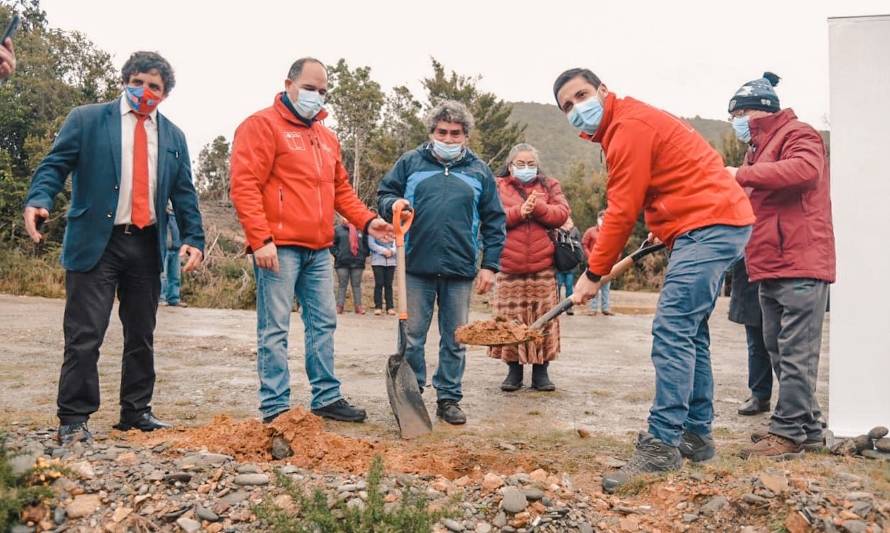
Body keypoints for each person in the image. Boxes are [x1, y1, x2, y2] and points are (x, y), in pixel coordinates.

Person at [553, 68, 754, 491]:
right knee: (690, 331)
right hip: (709, 222)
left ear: (603, 91)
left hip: (710, 224)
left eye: (581, 96)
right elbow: (669, 179)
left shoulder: (627, 127)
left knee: (672, 328)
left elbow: (621, 209)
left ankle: (662, 446)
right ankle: (696, 435)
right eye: (567, 106)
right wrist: (663, 222)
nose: (577, 109)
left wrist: (592, 274)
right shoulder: (622, 127)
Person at [24, 51, 204, 445]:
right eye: (137, 82)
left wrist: (194, 238)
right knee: (85, 333)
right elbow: (55, 165)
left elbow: (184, 191)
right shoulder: (87, 119)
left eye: (154, 86)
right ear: (125, 80)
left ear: (165, 93)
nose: (144, 91)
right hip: (96, 243)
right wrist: (39, 199)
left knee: (141, 334)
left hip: (146, 245)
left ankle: (136, 412)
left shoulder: (173, 135)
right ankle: (74, 417)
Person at [229, 57, 392, 424]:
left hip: (319, 249)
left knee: (323, 323)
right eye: (309, 88)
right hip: (279, 248)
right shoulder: (261, 126)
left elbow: (341, 192)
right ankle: (275, 405)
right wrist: (260, 239)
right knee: (274, 328)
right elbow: (244, 186)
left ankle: (326, 396)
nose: (316, 96)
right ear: (288, 84)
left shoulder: (327, 137)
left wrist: (368, 222)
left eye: (322, 91)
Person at [725, 73, 836, 459]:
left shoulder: (798, 134)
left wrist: (741, 174)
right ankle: (808, 426)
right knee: (777, 346)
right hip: (770, 262)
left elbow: (806, 172)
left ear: (757, 110)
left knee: (796, 350)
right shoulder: (758, 148)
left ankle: (787, 432)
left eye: (737, 114)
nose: (736, 123)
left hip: (800, 260)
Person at [378, 100, 506, 425]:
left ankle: (449, 397)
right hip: (416, 266)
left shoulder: (479, 171)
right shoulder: (410, 163)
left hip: (460, 269)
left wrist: (490, 265)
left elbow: (494, 220)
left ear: (466, 136)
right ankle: (412, 394)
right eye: (442, 132)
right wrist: (394, 204)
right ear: (432, 132)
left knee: (455, 338)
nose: (448, 139)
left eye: (455, 133)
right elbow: (384, 194)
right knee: (412, 337)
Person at [490, 143, 569, 392]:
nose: (526, 168)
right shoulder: (497, 185)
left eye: (530, 164)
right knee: (510, 320)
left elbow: (562, 213)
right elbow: (490, 218)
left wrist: (539, 208)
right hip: (508, 266)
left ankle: (541, 372)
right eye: (520, 164)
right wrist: (518, 212)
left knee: (543, 319)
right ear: (510, 165)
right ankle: (513, 371)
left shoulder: (549, 185)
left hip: (543, 266)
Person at [729, 258, 771, 415]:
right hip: (751, 265)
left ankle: (800, 404)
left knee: (794, 342)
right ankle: (760, 395)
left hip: (790, 264)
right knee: (755, 338)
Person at [332, 218, 368, 315]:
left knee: (356, 285)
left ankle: (358, 307)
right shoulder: (337, 229)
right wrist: (337, 254)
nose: (346, 218)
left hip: (358, 262)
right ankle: (339, 306)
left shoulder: (360, 229)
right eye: (344, 216)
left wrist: (363, 254)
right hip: (342, 262)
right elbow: (331, 244)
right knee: (342, 285)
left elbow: (366, 244)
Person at [581, 211, 614, 315]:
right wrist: (590, 256)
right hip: (593, 263)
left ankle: (605, 308)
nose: (604, 219)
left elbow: (616, 245)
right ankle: (593, 309)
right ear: (598, 218)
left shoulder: (610, 231)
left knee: (606, 288)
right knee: (593, 286)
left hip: (607, 263)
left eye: (606, 217)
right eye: (602, 217)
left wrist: (615, 259)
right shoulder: (591, 231)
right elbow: (584, 244)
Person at [160, 204, 186, 307]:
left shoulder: (177, 217)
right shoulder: (162, 216)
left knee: (175, 276)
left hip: (176, 248)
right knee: (163, 276)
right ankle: (161, 298)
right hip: (164, 249)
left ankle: (174, 298)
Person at [554, 217, 581, 315]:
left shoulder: (575, 231)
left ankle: (569, 307)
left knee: (569, 286)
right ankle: (556, 307)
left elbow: (579, 245)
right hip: (560, 264)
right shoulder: (557, 230)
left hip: (570, 265)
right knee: (558, 285)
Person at [368, 233, 397, 316]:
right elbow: (371, 244)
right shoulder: (374, 228)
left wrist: (392, 251)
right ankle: (378, 307)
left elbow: (397, 242)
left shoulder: (393, 229)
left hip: (391, 261)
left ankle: (390, 307)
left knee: (389, 285)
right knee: (379, 283)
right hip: (378, 261)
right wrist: (384, 251)